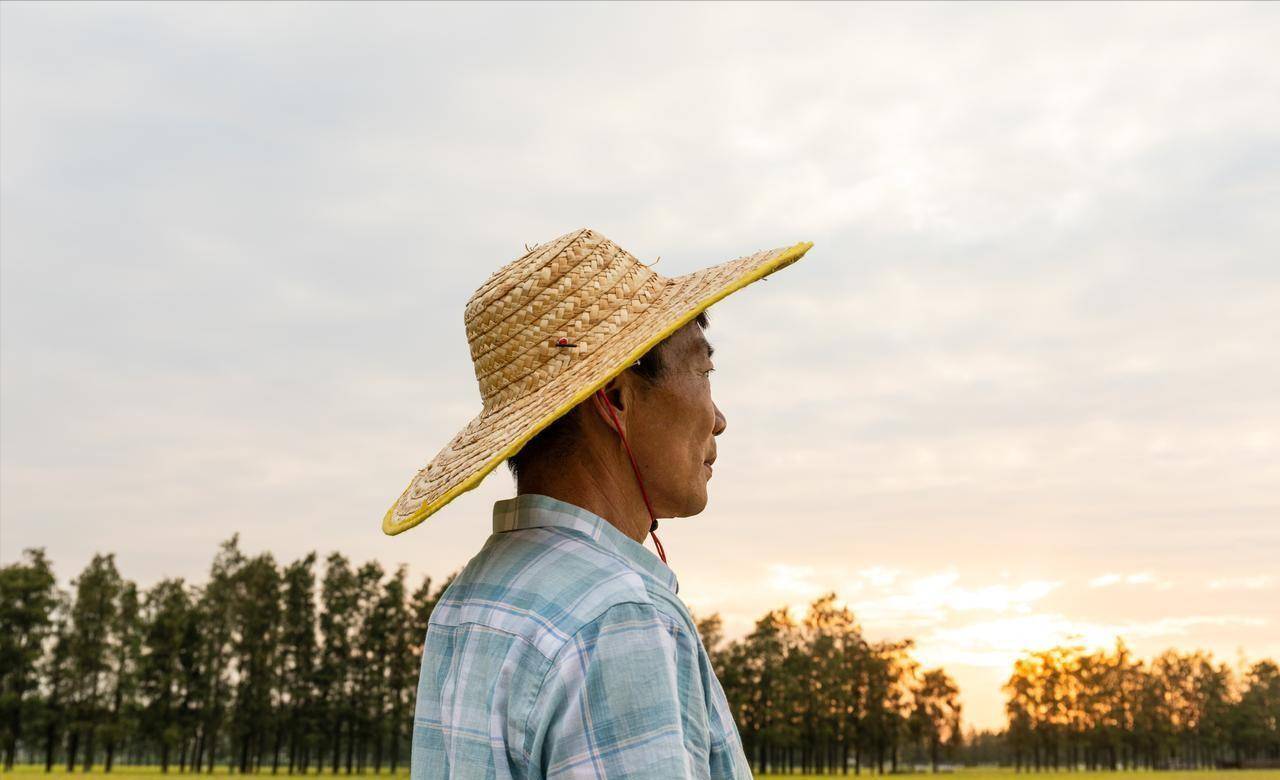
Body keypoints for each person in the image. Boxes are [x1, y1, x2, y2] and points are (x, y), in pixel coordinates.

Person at [381, 227, 813, 778]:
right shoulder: (618, 617)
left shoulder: (469, 601)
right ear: (615, 398)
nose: (719, 419)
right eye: (704, 372)